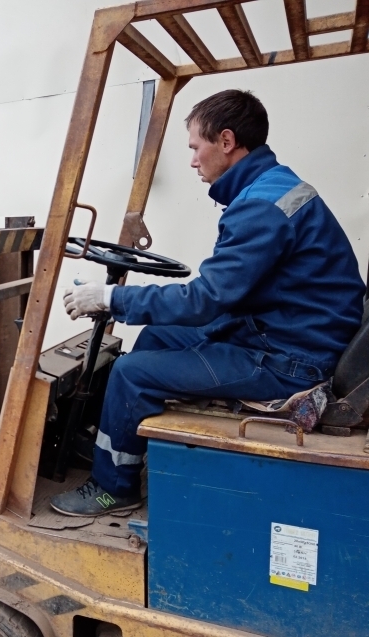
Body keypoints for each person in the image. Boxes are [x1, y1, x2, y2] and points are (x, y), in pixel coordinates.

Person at [51, 90, 365, 517]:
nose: (194, 160)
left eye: (196, 148)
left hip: (288, 359)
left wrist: (110, 297)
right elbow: (227, 294)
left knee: (129, 373)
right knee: (157, 335)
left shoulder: (259, 208)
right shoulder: (270, 187)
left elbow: (205, 300)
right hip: (283, 331)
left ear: (227, 141)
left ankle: (114, 487)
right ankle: (128, 446)